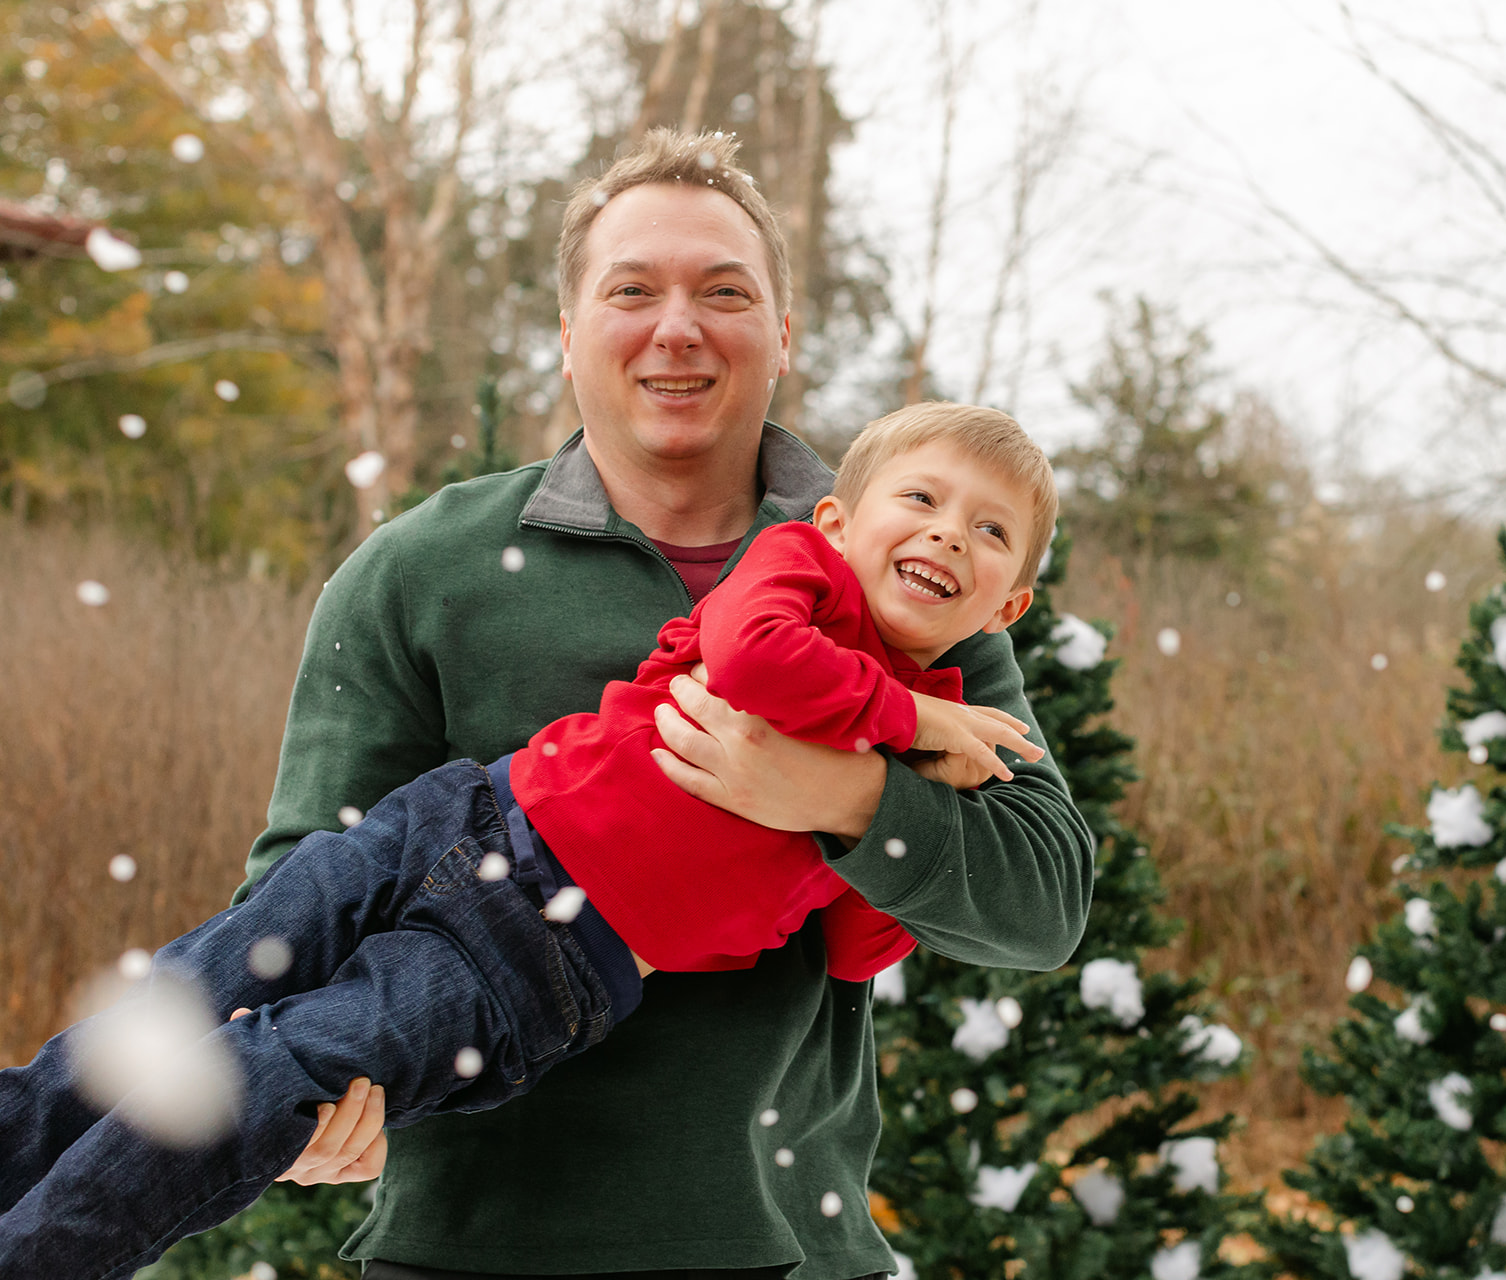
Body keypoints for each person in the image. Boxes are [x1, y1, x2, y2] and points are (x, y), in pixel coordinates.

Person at [101, 127, 1090, 1280]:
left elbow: (1043, 898)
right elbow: (316, 869)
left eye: (725, 291)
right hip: (474, 1244)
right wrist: (310, 1103)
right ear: (570, 336)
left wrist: (846, 794)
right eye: (633, 290)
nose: (679, 327)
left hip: (784, 1237)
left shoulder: (912, 578)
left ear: (782, 336)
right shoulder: (427, 568)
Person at [0, 403, 1061, 1280]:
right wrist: (913, 729)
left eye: (988, 531)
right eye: (919, 500)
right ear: (835, 517)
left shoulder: (965, 712)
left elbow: (868, 944)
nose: (947, 535)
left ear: (1005, 605)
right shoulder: (799, 573)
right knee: (192, 989)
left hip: (537, 959)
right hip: (457, 815)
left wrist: (874, 803)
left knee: (262, 1070)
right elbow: (752, 657)